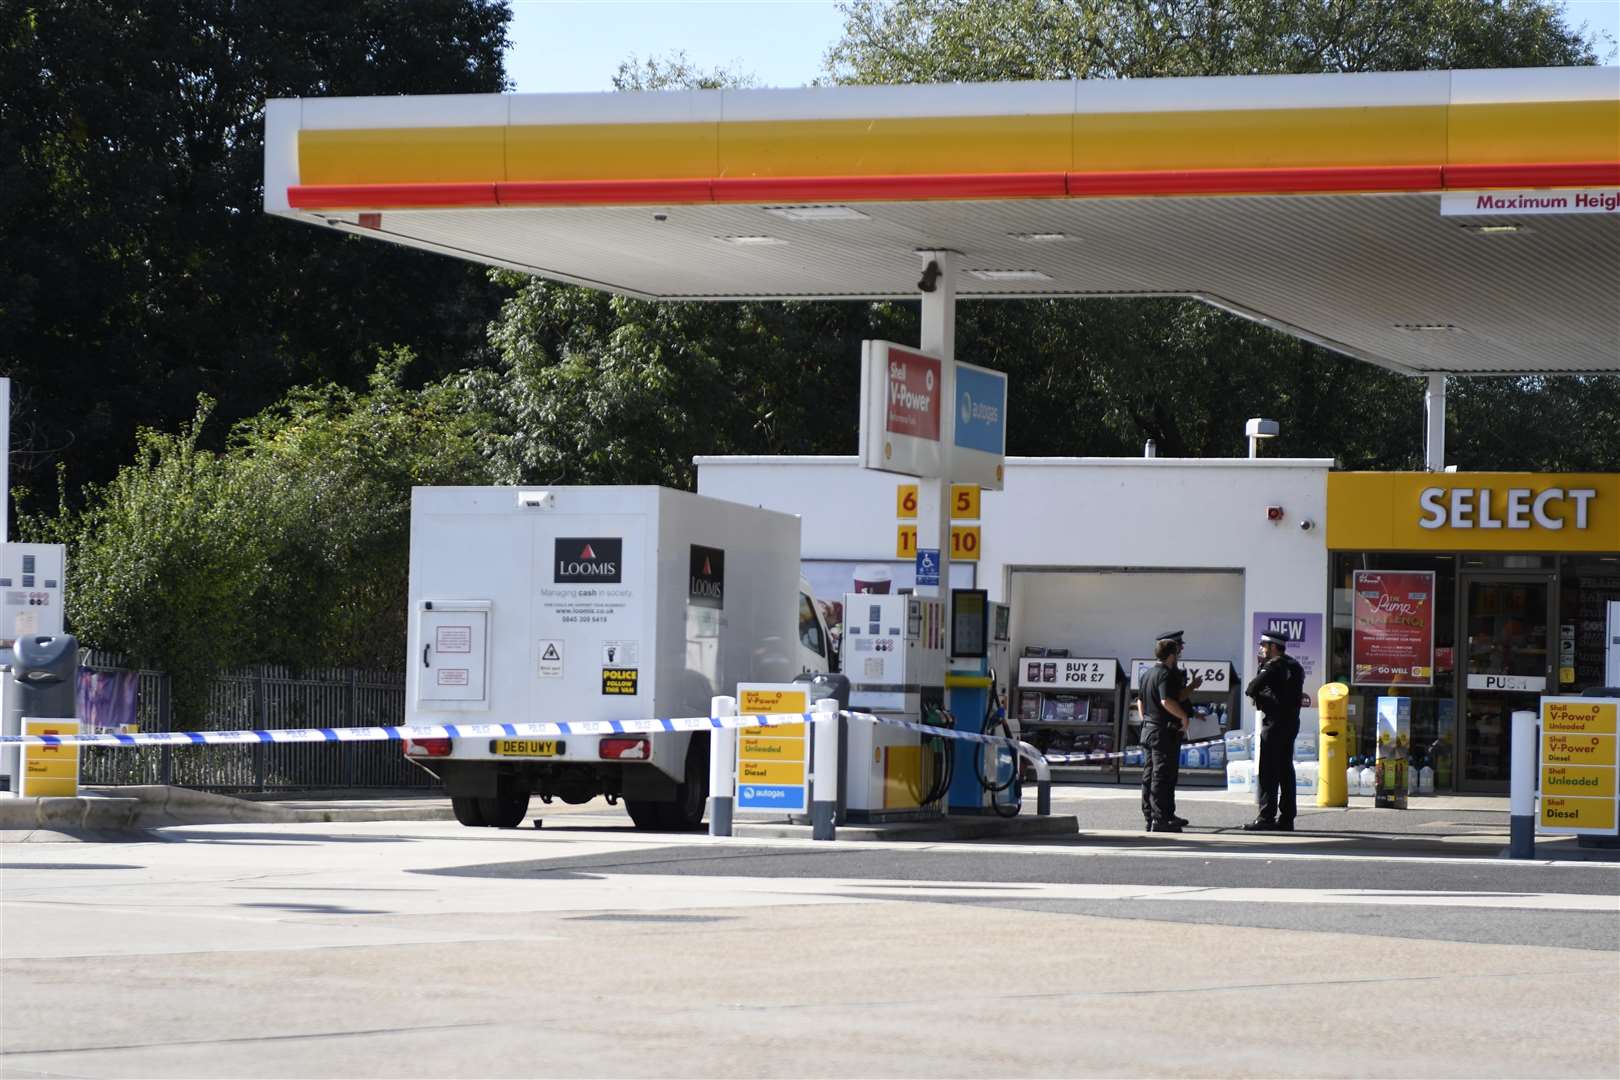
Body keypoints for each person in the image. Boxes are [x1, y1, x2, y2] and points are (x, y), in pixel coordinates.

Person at [1138, 630, 1202, 832]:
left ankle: (1157, 815)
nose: (1181, 651)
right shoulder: (1165, 674)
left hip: (1150, 730)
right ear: (1172, 653)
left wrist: (1147, 720)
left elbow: (1140, 700)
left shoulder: (1147, 673)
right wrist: (1183, 716)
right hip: (1162, 732)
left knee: (1152, 775)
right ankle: (1161, 819)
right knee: (1162, 775)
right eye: (1179, 648)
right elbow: (1167, 700)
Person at [1243, 629, 1307, 831]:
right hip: (1291, 723)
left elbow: (1251, 688)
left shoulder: (1272, 666)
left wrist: (1264, 692)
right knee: (1286, 770)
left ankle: (1266, 817)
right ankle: (1287, 818)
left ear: (1272, 647)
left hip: (1274, 724)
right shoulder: (1295, 665)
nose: (1261, 649)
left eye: (1264, 646)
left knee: (1268, 771)